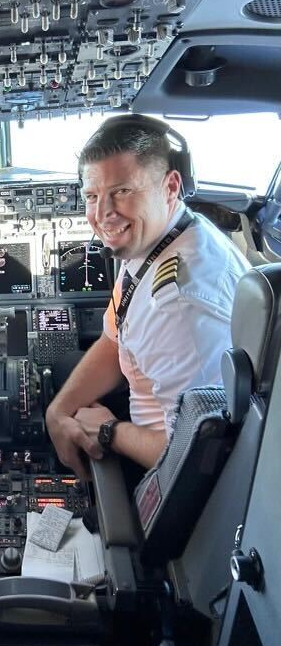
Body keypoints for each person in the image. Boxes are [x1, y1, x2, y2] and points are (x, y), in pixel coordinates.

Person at [46, 114, 249, 476]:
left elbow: (193, 457)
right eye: (92, 196)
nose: (103, 214)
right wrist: (57, 412)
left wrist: (108, 431)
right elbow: (116, 335)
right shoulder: (161, 237)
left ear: (170, 187)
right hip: (156, 409)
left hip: (162, 463)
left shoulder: (179, 306)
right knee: (64, 376)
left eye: (122, 191)